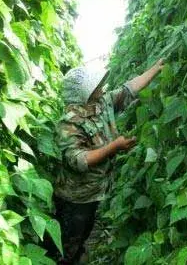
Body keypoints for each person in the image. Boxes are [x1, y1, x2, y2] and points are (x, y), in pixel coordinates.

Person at [54, 59, 165, 264]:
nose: (101, 87)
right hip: (75, 197)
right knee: (67, 242)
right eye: (95, 85)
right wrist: (114, 147)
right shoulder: (69, 122)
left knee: (84, 231)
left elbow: (128, 89)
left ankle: (77, 255)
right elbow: (77, 160)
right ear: (82, 93)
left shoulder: (101, 103)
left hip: (96, 190)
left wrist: (155, 69)